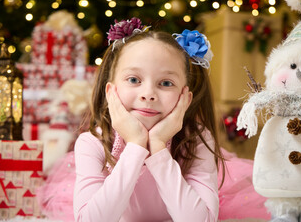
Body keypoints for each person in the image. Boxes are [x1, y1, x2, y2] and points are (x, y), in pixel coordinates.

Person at [73, 18, 224, 222]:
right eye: (134, 79)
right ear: (111, 92)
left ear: (185, 98)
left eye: (165, 83)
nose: (148, 94)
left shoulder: (197, 139)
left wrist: (159, 148)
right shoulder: (92, 142)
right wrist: (136, 145)